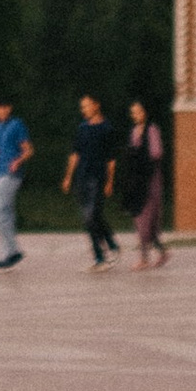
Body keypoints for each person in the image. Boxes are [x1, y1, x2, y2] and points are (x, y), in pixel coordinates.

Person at [62, 96, 120, 269]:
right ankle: (111, 243)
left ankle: (100, 257)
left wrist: (110, 182)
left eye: (87, 106)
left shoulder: (107, 129)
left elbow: (111, 159)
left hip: (98, 178)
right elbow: (75, 154)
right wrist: (68, 177)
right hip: (82, 177)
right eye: (82, 107)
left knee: (90, 216)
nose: (84, 109)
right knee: (92, 217)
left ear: (96, 105)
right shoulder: (82, 128)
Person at [120, 102, 169, 269]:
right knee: (140, 219)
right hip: (137, 181)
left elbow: (156, 153)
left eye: (139, 112)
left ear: (145, 112)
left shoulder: (152, 130)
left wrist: (139, 155)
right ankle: (157, 253)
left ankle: (145, 258)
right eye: (133, 113)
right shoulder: (134, 131)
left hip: (151, 181)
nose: (136, 115)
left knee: (148, 221)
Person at [0, 103, 30, 265]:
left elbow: (28, 150)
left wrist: (18, 161)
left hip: (11, 174)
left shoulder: (16, 124)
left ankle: (14, 251)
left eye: (3, 108)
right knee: (6, 214)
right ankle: (5, 256)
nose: (0, 111)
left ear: (9, 108)